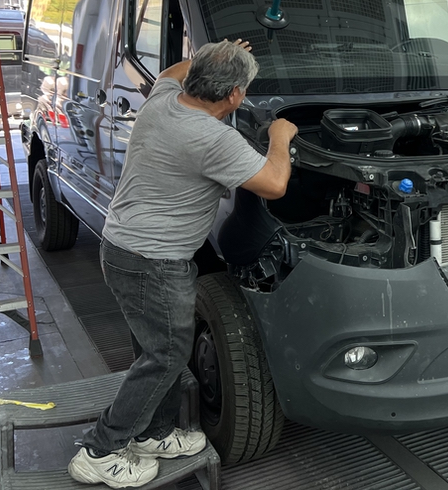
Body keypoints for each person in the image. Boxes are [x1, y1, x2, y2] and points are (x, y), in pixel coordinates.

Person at [68, 39, 298, 489]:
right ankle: (102, 449)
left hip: (125, 249)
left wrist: (215, 55)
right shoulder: (212, 137)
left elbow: (170, 72)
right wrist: (280, 136)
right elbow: (274, 183)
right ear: (234, 95)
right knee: (167, 354)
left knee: (154, 347)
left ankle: (153, 432)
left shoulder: (163, 99)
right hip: (152, 261)